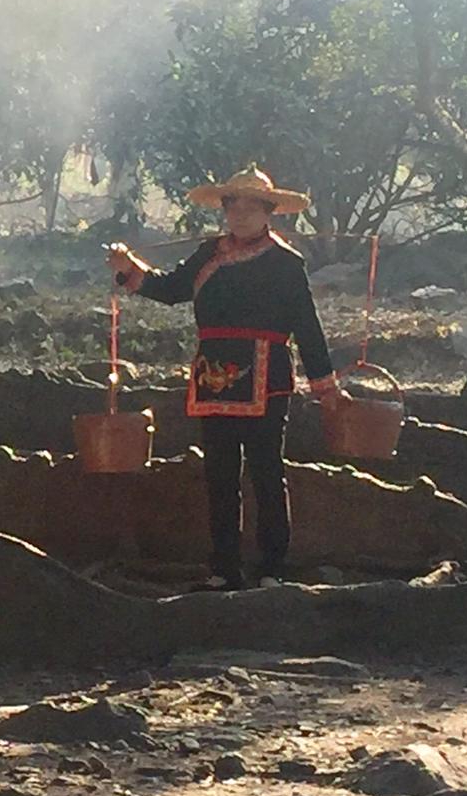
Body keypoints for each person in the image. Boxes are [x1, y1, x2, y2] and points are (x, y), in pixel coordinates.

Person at [108, 166, 348, 590]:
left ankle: (272, 567)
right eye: (232, 204)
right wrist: (130, 268)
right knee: (219, 474)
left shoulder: (286, 264)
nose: (240, 213)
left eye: (250, 205)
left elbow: (307, 327)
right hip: (213, 375)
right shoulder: (208, 254)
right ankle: (223, 568)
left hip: (266, 376)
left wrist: (324, 384)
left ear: (269, 211)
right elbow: (169, 289)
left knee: (267, 472)